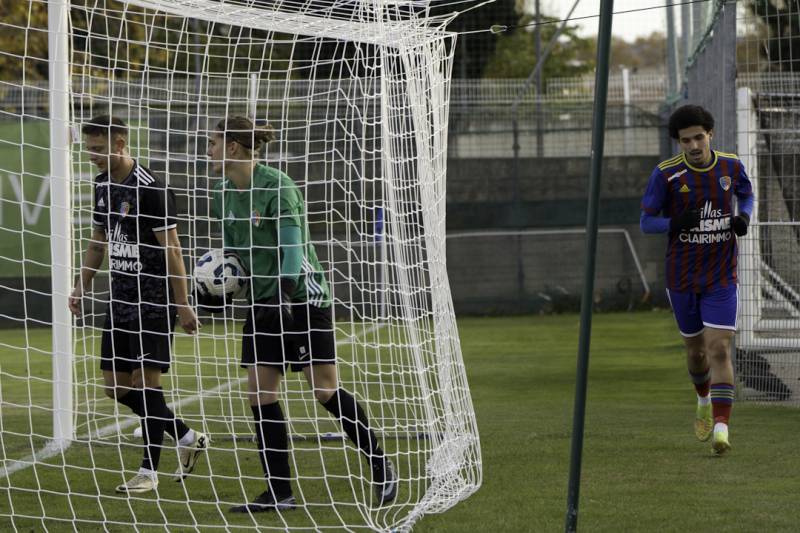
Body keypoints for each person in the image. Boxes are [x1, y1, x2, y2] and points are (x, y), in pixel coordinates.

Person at [205, 115, 397, 513]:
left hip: (301, 300)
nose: (208, 150)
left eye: (212, 142)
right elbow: (234, 256)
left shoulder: (279, 185)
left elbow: (293, 248)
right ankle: (280, 491)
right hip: (262, 302)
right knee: (259, 393)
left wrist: (286, 295)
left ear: (234, 148)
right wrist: (219, 287)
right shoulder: (222, 192)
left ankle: (381, 466)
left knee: (323, 389)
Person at [68, 115, 208, 493]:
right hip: (119, 299)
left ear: (119, 144)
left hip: (153, 300)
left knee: (147, 386)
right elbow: (98, 241)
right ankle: (185, 435)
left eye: (98, 149)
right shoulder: (101, 186)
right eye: (88, 149)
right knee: (116, 388)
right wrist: (80, 286)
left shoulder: (150, 188)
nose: (92, 156)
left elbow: (174, 248)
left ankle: (149, 471)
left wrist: (183, 303)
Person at [640, 104, 754, 455]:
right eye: (685, 140)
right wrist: (675, 223)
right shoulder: (666, 174)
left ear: (710, 135)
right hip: (683, 278)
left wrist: (743, 218)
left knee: (719, 347)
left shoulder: (731, 166)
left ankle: (721, 427)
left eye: (698, 137)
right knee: (696, 354)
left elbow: (746, 194)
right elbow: (647, 222)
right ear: (678, 142)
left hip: (721, 275)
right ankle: (703, 399)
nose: (693, 145)